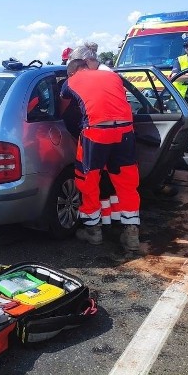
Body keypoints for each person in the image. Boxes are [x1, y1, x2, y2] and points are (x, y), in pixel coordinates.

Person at [60, 47, 141, 255]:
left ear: (74, 69)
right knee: (127, 182)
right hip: (125, 132)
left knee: (88, 180)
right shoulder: (113, 77)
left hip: (96, 132)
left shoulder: (71, 81)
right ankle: (132, 234)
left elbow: (64, 101)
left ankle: (93, 231)